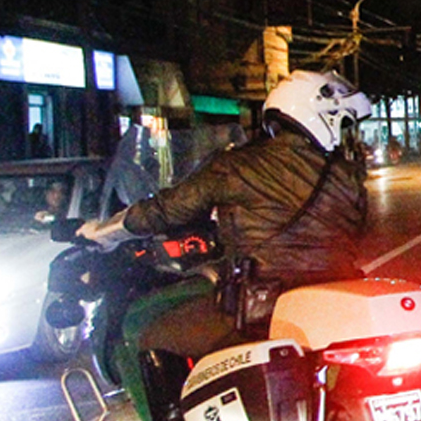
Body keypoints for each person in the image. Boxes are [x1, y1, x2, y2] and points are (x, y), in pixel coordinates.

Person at [76, 70, 373, 359]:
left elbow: (165, 210)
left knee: (149, 335)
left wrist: (103, 231)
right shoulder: (347, 176)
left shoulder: (236, 166)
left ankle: (182, 411)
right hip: (334, 301)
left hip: (262, 305)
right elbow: (358, 231)